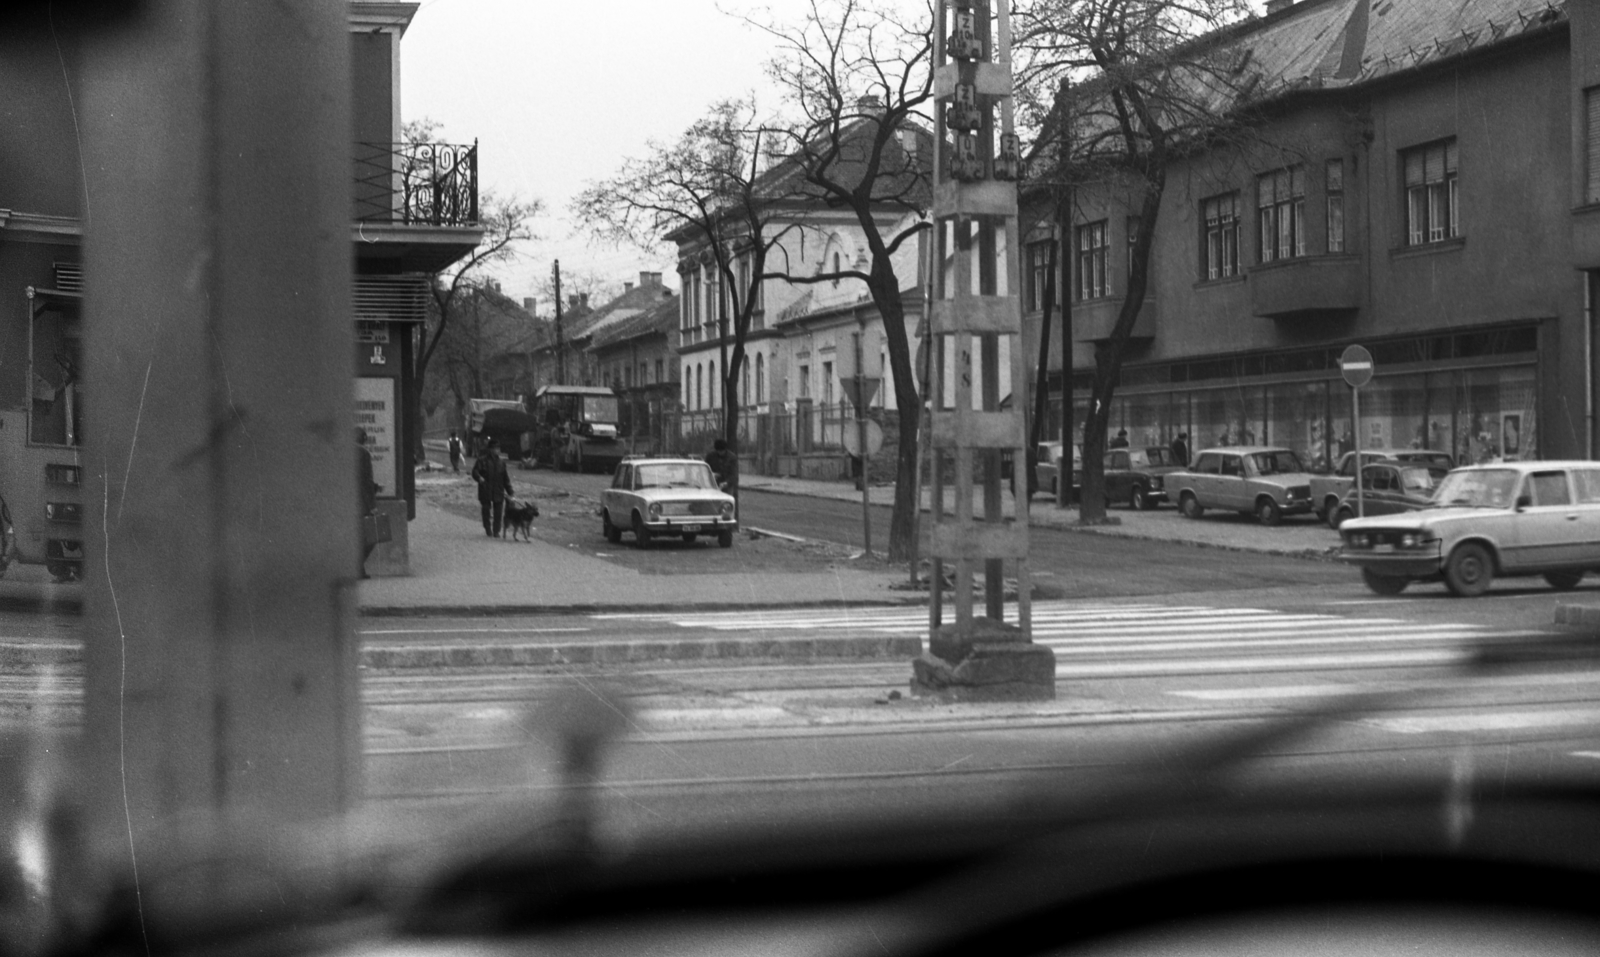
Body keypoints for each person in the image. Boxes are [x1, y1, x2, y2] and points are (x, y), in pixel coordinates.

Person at [471, 436, 514, 537]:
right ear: (490, 449)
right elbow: (474, 471)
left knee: (498, 512)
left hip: (498, 490)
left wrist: (510, 492)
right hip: (485, 489)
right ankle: (487, 528)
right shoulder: (482, 460)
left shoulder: (501, 463)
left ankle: (496, 531)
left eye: (498, 448)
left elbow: (505, 478)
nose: (497, 450)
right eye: (495, 448)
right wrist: (479, 478)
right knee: (486, 510)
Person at [356, 428, 379, 578]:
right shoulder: (363, 453)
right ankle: (357, 567)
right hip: (360, 502)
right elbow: (367, 481)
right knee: (370, 537)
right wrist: (372, 505)